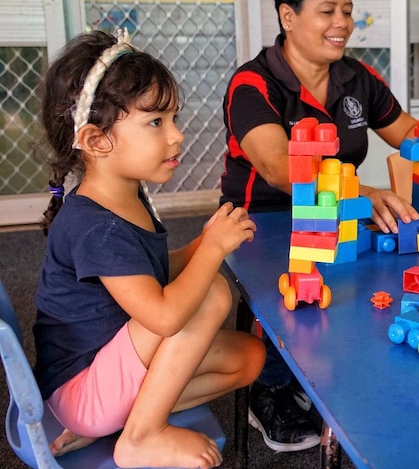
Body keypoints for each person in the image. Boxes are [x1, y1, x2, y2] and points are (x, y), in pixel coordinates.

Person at [220, 0, 419, 453]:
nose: (342, 23)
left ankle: (332, 371)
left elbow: (405, 130)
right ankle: (269, 385)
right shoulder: (253, 84)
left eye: (347, 11)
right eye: (327, 11)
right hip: (262, 222)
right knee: (302, 280)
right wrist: (365, 192)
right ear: (288, 16)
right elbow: (278, 168)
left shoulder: (356, 78)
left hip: (341, 214)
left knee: (398, 267)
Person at [32, 30, 264, 468]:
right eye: (156, 122)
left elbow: (149, 273)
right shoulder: (94, 226)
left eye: (174, 119)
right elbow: (162, 314)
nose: (176, 136)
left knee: (248, 359)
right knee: (212, 292)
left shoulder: (127, 192)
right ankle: (141, 435)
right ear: (98, 141)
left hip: (110, 369)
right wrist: (211, 251)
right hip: (82, 390)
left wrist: (198, 245)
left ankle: (126, 420)